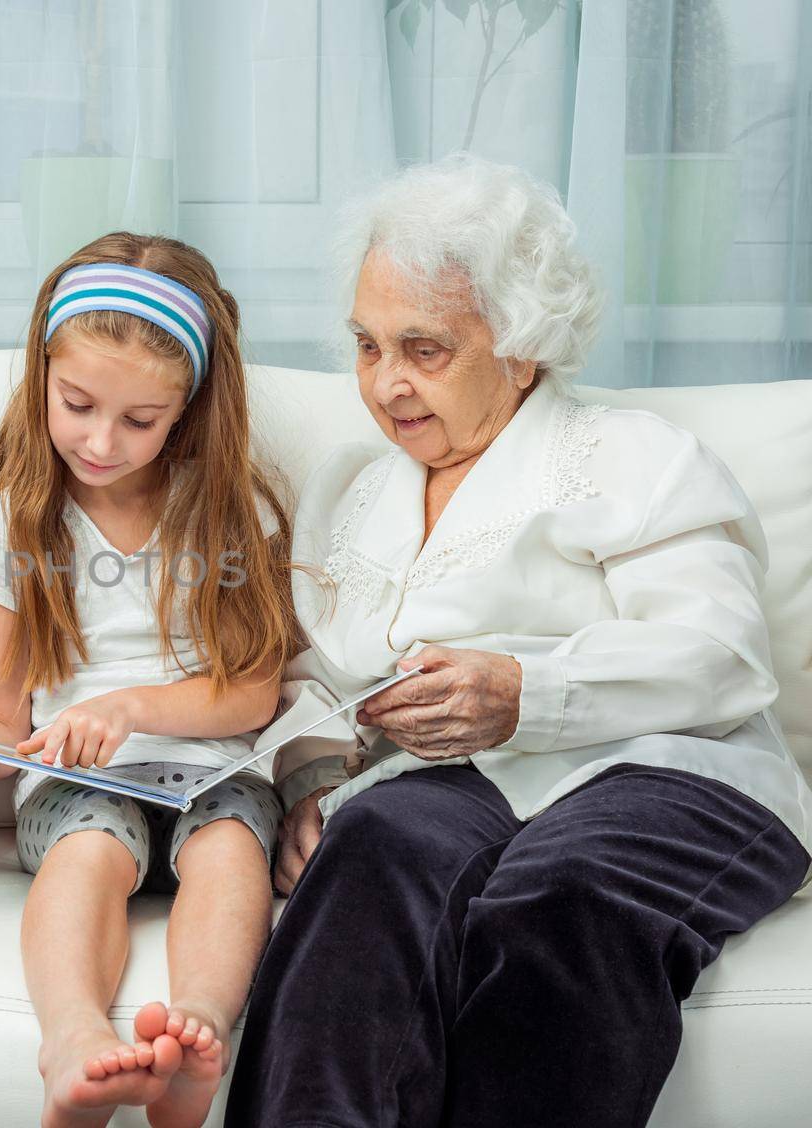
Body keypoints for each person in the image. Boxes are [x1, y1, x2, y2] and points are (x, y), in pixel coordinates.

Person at [226, 154, 812, 1128]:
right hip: (451, 782)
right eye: (367, 345)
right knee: (367, 845)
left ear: (522, 342)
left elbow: (723, 654)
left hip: (665, 770)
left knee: (557, 895)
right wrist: (311, 785)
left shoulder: (632, 457)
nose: (386, 383)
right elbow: (313, 681)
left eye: (425, 348)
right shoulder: (348, 491)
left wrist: (525, 691)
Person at [0, 233, 301, 1128]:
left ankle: (201, 1030)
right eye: (77, 404)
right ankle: (74, 1041)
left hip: (213, 767)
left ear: (188, 409)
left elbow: (250, 693)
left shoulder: (237, 515)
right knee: (88, 853)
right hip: (77, 782)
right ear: (42, 378)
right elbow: (1, 720)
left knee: (232, 851)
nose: (100, 440)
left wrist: (128, 707)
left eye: (138, 420)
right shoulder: (14, 526)